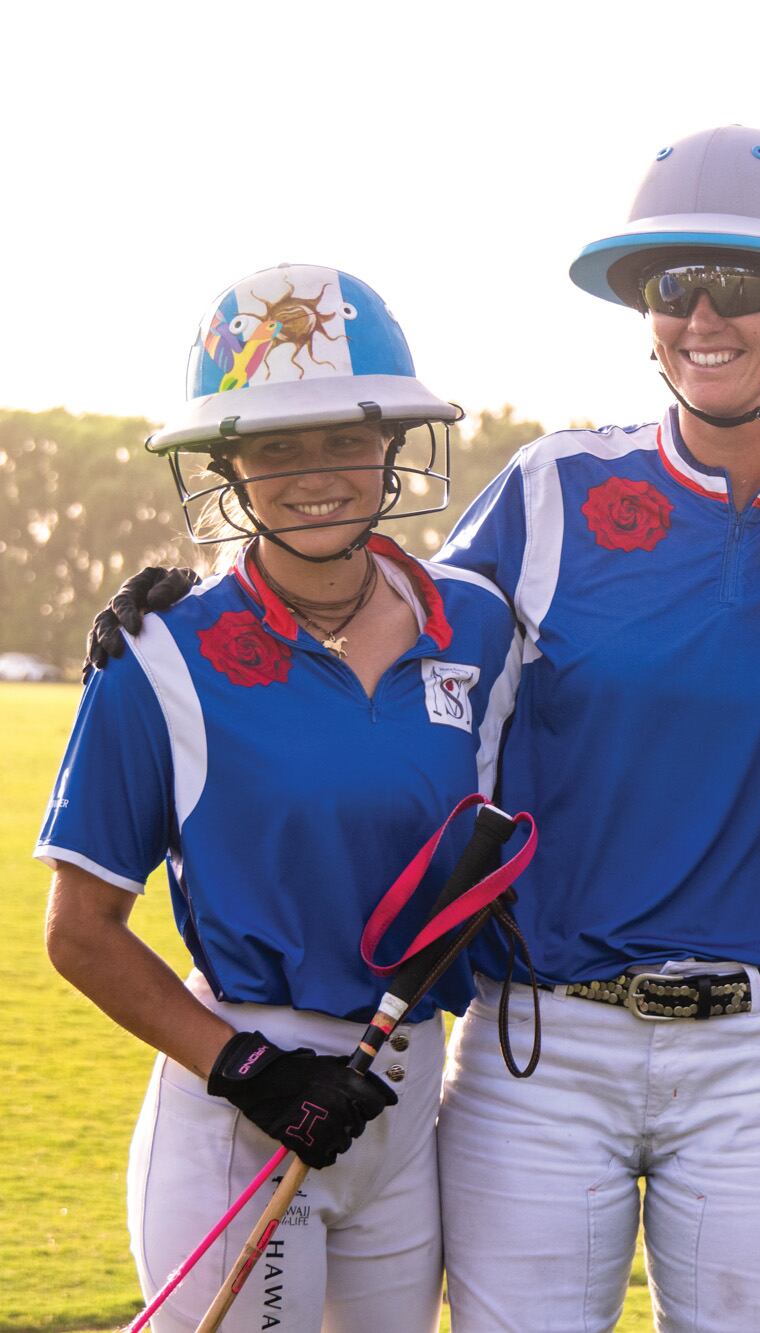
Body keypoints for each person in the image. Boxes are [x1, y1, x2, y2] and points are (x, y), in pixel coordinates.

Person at [429, 126, 760, 1331]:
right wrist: (199, 608)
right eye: (671, 286)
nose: (702, 317)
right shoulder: (548, 491)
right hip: (540, 1046)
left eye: (743, 285)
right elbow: (397, 667)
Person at [38, 263, 522, 1331]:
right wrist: (249, 1071)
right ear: (230, 466)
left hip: (404, 1102)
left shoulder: (480, 627)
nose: (316, 474)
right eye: (275, 446)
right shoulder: (158, 656)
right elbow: (79, 933)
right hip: (244, 1114)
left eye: (345, 438)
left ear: (391, 446)